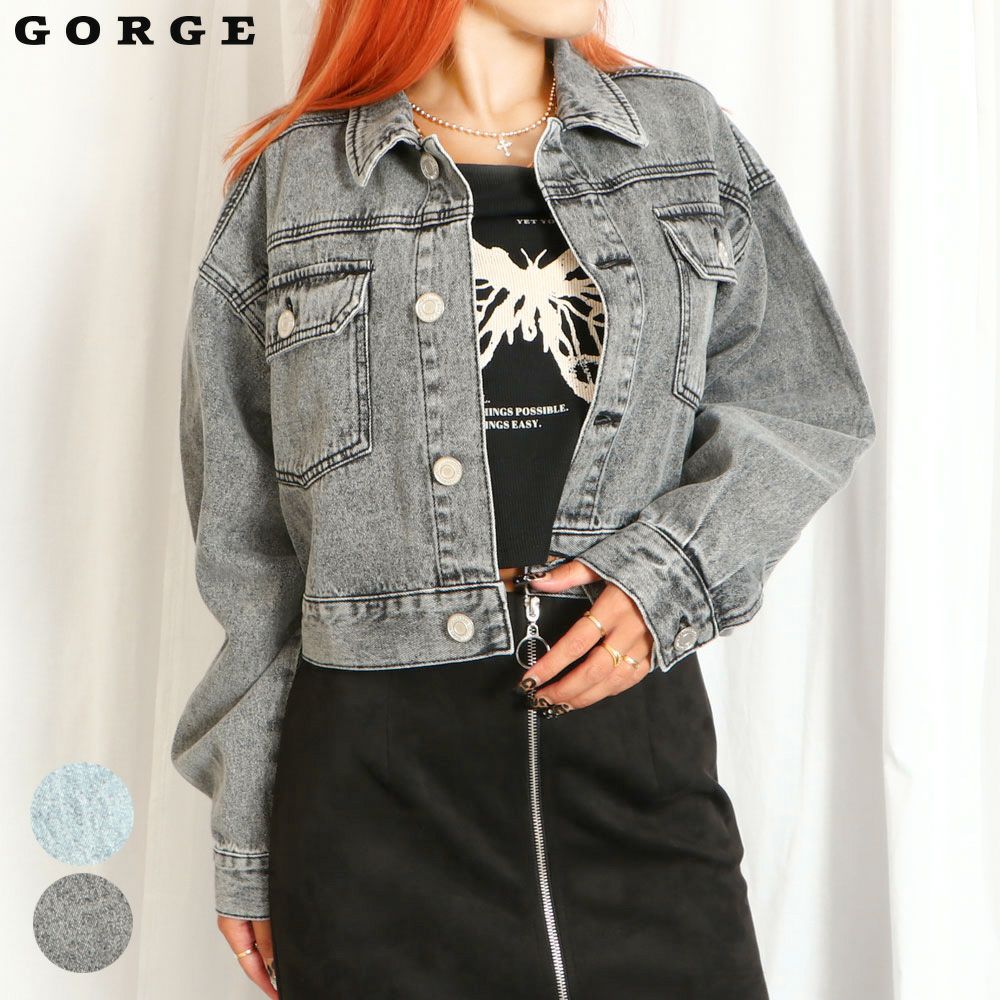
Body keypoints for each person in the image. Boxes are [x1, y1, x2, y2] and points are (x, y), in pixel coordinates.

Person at [170, 1, 877, 997]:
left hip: (630, 746)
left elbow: (802, 402)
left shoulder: (679, 137)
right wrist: (246, 835)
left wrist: (666, 577)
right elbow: (247, 551)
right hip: (373, 782)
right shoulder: (294, 181)